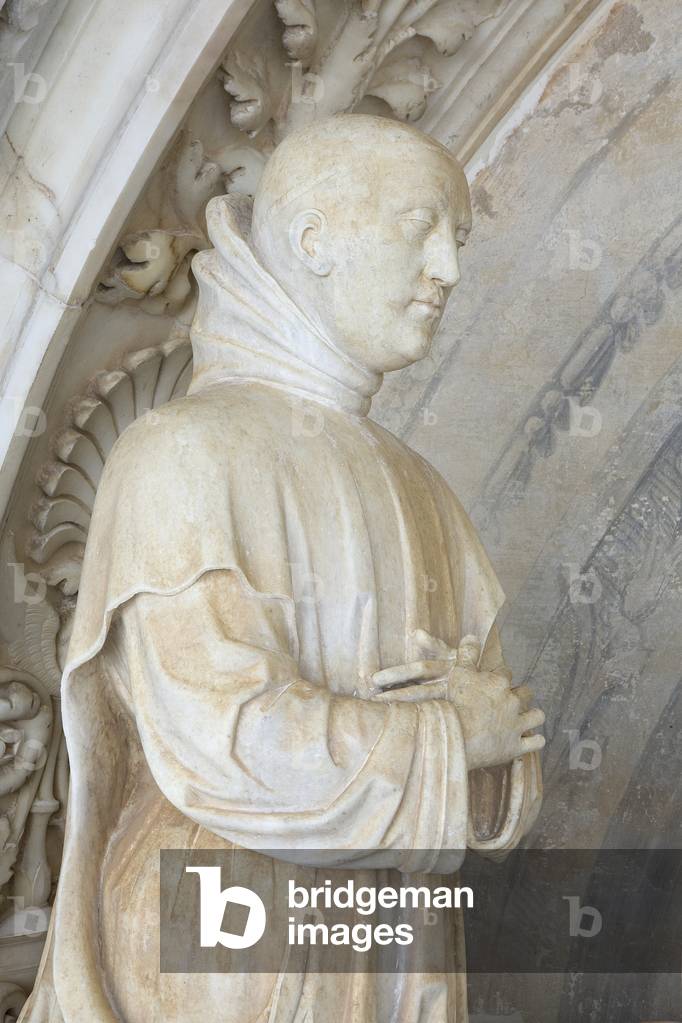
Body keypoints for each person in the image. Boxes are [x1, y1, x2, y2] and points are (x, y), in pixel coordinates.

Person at [20, 114, 543, 1023]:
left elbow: (504, 733)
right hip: (231, 953)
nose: (446, 273)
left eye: (456, 242)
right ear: (315, 239)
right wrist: (449, 742)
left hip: (390, 940)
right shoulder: (182, 453)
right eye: (419, 228)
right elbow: (221, 740)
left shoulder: (424, 488)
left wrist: (491, 753)